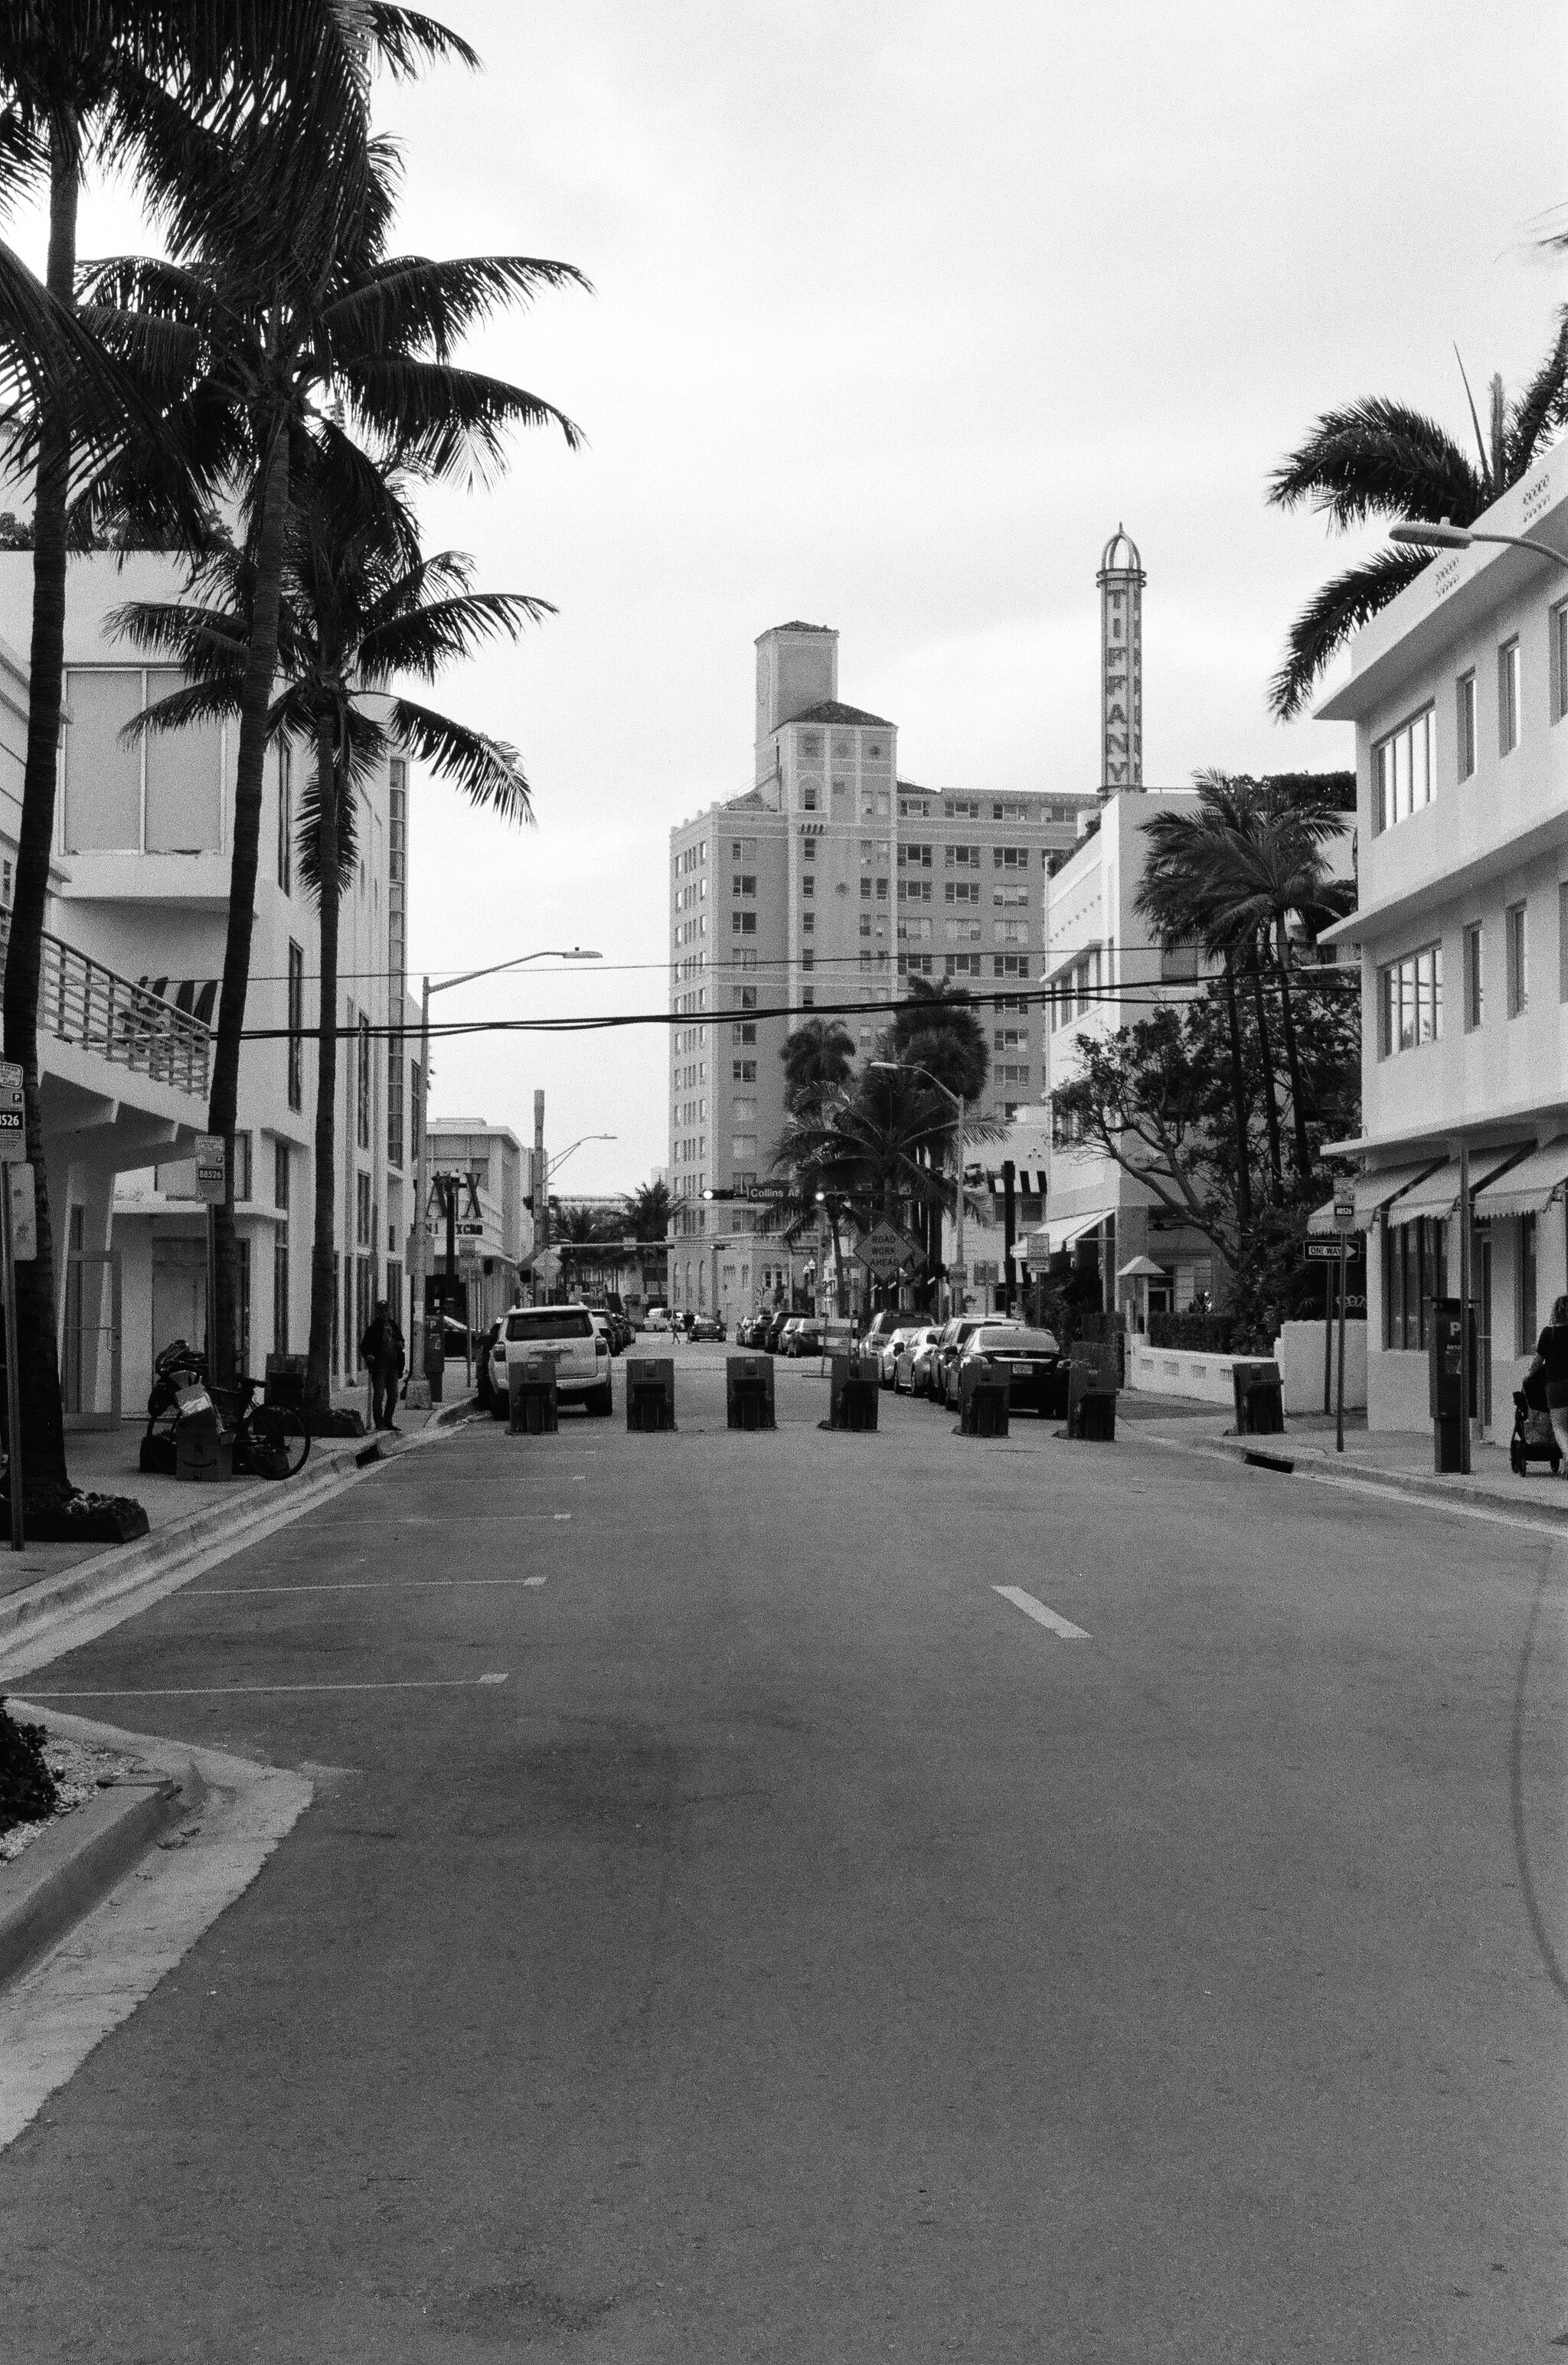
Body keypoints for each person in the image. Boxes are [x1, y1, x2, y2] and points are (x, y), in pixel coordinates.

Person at [1524, 1294, 1568, 1464]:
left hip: (1556, 1386)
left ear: (1555, 1312)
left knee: (1560, 1427)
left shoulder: (1549, 1333)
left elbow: (1537, 1362)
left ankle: (1567, 1456)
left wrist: (1528, 1376)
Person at [360, 1298, 406, 1432]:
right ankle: (379, 1423)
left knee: (394, 1395)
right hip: (380, 1366)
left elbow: (401, 1340)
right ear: (378, 1312)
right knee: (379, 1395)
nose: (384, 1312)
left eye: (386, 1310)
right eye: (382, 1310)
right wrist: (369, 1355)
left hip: (393, 1367)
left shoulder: (393, 1325)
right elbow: (364, 1346)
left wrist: (401, 1344)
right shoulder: (374, 1328)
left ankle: (388, 1421)